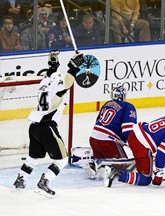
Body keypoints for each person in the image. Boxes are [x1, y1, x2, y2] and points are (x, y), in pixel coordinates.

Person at [12, 50, 84, 198]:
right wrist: (74, 65)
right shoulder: (58, 87)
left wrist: (53, 62)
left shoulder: (44, 84)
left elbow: (50, 73)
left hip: (34, 127)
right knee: (62, 159)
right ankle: (44, 181)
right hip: (47, 127)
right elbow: (68, 81)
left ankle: (21, 179)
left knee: (34, 158)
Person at [104, 111, 165, 187]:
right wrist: (158, 172)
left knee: (144, 158)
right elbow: (162, 151)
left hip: (133, 135)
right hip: (141, 147)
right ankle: (116, 174)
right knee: (146, 179)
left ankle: (139, 161)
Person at [82, 85, 137, 180]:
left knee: (104, 163)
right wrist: (134, 144)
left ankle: (95, 166)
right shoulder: (128, 106)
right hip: (109, 142)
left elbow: (97, 122)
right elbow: (127, 129)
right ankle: (102, 169)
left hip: (94, 139)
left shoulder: (107, 104)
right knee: (124, 168)